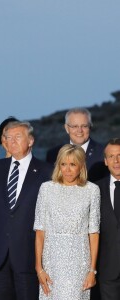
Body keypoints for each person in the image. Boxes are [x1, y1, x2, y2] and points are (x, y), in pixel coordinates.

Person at [0, 120, 52, 300]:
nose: (12, 141)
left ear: (30, 141)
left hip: (30, 255)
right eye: (8, 138)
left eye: (18, 137)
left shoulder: (47, 172)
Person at [34, 144, 100, 299]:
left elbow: (94, 233)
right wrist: (39, 268)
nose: (67, 170)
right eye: (63, 164)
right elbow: (40, 231)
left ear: (81, 166)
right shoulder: (46, 189)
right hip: (51, 262)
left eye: (73, 164)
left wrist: (92, 270)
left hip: (79, 262)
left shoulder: (92, 190)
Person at [46, 107, 107, 182]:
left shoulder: (104, 152)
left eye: (84, 126)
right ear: (66, 128)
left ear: (90, 127)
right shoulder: (53, 154)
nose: (79, 130)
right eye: (75, 126)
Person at [96, 138, 120, 300]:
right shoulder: (94, 190)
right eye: (111, 156)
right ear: (105, 161)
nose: (116, 160)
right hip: (108, 269)